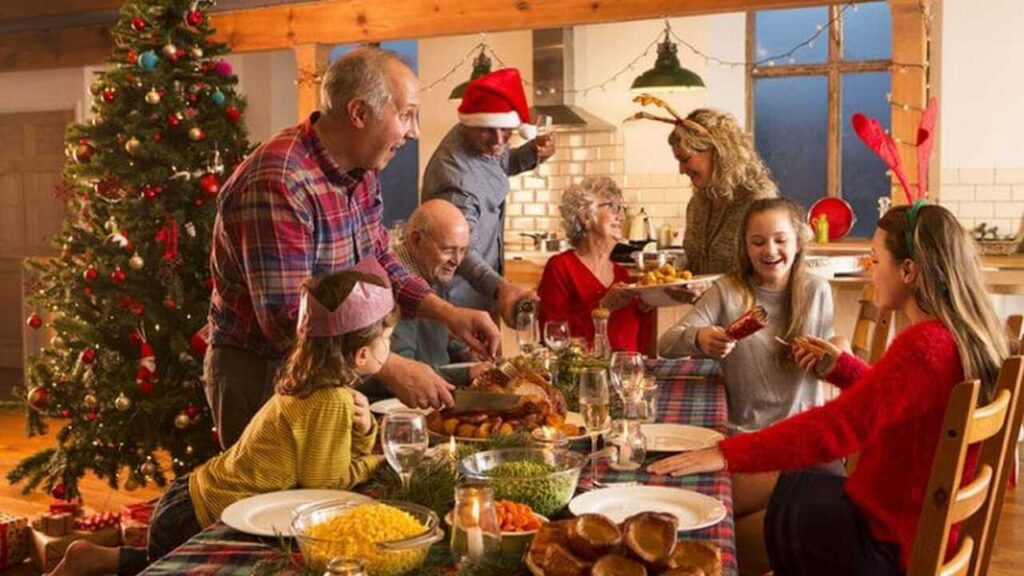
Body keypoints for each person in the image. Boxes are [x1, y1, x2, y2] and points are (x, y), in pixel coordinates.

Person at [648, 202, 1012, 576]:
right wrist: (841, 367)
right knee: (722, 504)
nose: (871, 270)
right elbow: (889, 398)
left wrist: (726, 452)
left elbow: (834, 428)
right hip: (887, 516)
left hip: (880, 540)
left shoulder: (923, 347)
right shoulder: (954, 338)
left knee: (712, 547)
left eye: (874, 259)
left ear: (907, 271)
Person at [207, 47, 500, 448]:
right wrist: (389, 366)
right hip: (264, 372)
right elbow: (286, 319)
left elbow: (379, 262)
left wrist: (447, 314)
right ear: (360, 114)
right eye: (406, 114)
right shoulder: (280, 181)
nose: (413, 131)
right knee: (268, 504)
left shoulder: (361, 171)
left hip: (327, 365)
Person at [47, 262, 397, 576]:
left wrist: (363, 430)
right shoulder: (330, 400)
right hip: (199, 516)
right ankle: (92, 560)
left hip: (189, 500)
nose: (390, 346)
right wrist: (375, 460)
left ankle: (91, 558)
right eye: (388, 339)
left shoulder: (312, 386)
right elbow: (327, 489)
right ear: (362, 354)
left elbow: (326, 466)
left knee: (163, 559)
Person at [658, 197, 840, 436]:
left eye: (781, 240)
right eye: (757, 242)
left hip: (803, 433)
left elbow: (832, 351)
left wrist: (836, 351)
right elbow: (666, 344)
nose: (770, 250)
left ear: (798, 243)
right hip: (745, 434)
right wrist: (699, 338)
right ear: (744, 247)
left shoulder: (817, 290)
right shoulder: (726, 290)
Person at [422, 68, 556, 320]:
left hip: (481, 297)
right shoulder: (457, 179)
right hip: (456, 304)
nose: (497, 140)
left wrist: (535, 152)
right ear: (468, 123)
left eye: (506, 131)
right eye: (488, 130)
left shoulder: (479, 138)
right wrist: (501, 288)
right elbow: (457, 253)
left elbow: (501, 163)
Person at [629, 99, 777, 303]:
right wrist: (672, 279)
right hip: (711, 322)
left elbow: (770, 278)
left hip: (752, 321)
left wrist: (712, 289)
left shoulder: (758, 203)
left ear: (718, 152)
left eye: (685, 159)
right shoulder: (698, 204)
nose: (681, 170)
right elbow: (696, 266)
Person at [372, 199, 492, 394]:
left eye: (463, 251)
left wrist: (465, 353)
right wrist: (467, 373)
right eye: (448, 250)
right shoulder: (393, 289)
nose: (457, 261)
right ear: (416, 240)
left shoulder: (431, 273)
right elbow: (404, 375)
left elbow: (438, 343)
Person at [537, 176, 653, 353]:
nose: (621, 216)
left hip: (626, 375)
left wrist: (648, 306)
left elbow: (639, 344)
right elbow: (553, 339)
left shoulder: (622, 275)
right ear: (586, 216)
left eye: (621, 208)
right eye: (612, 207)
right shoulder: (560, 267)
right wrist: (604, 307)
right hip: (583, 376)